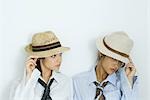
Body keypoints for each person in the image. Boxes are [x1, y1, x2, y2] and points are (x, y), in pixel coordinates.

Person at [73, 31, 139, 100]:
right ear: (101, 53)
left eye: (120, 62)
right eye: (113, 58)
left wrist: (128, 79)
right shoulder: (78, 82)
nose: (116, 65)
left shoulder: (122, 85)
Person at [10, 31, 72, 100]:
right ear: (39, 57)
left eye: (60, 55)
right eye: (53, 56)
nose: (59, 60)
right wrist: (29, 77)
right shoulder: (21, 84)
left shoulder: (65, 81)